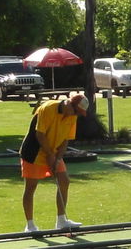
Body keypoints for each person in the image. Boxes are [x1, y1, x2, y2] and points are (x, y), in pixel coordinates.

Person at [20, 92, 88, 232]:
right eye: (76, 111)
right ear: (69, 103)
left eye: (79, 113)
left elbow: (65, 140)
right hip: (34, 151)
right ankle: (30, 225)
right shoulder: (48, 108)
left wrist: (57, 159)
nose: (76, 115)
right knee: (31, 187)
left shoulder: (72, 116)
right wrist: (50, 155)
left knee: (64, 181)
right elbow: (40, 134)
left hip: (54, 151)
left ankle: (61, 221)